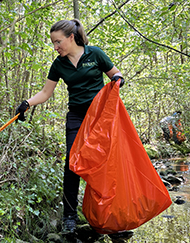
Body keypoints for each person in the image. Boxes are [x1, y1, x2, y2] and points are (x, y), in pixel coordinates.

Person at [15, 19, 126, 235]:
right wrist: (27, 103)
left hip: (100, 118)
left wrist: (119, 80)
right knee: (72, 164)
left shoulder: (95, 54)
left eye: (58, 42)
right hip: (76, 117)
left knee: (105, 165)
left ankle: (111, 215)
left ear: (71, 38)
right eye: (53, 43)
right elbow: (46, 93)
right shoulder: (59, 64)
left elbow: (116, 74)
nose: (55, 47)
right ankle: (69, 217)